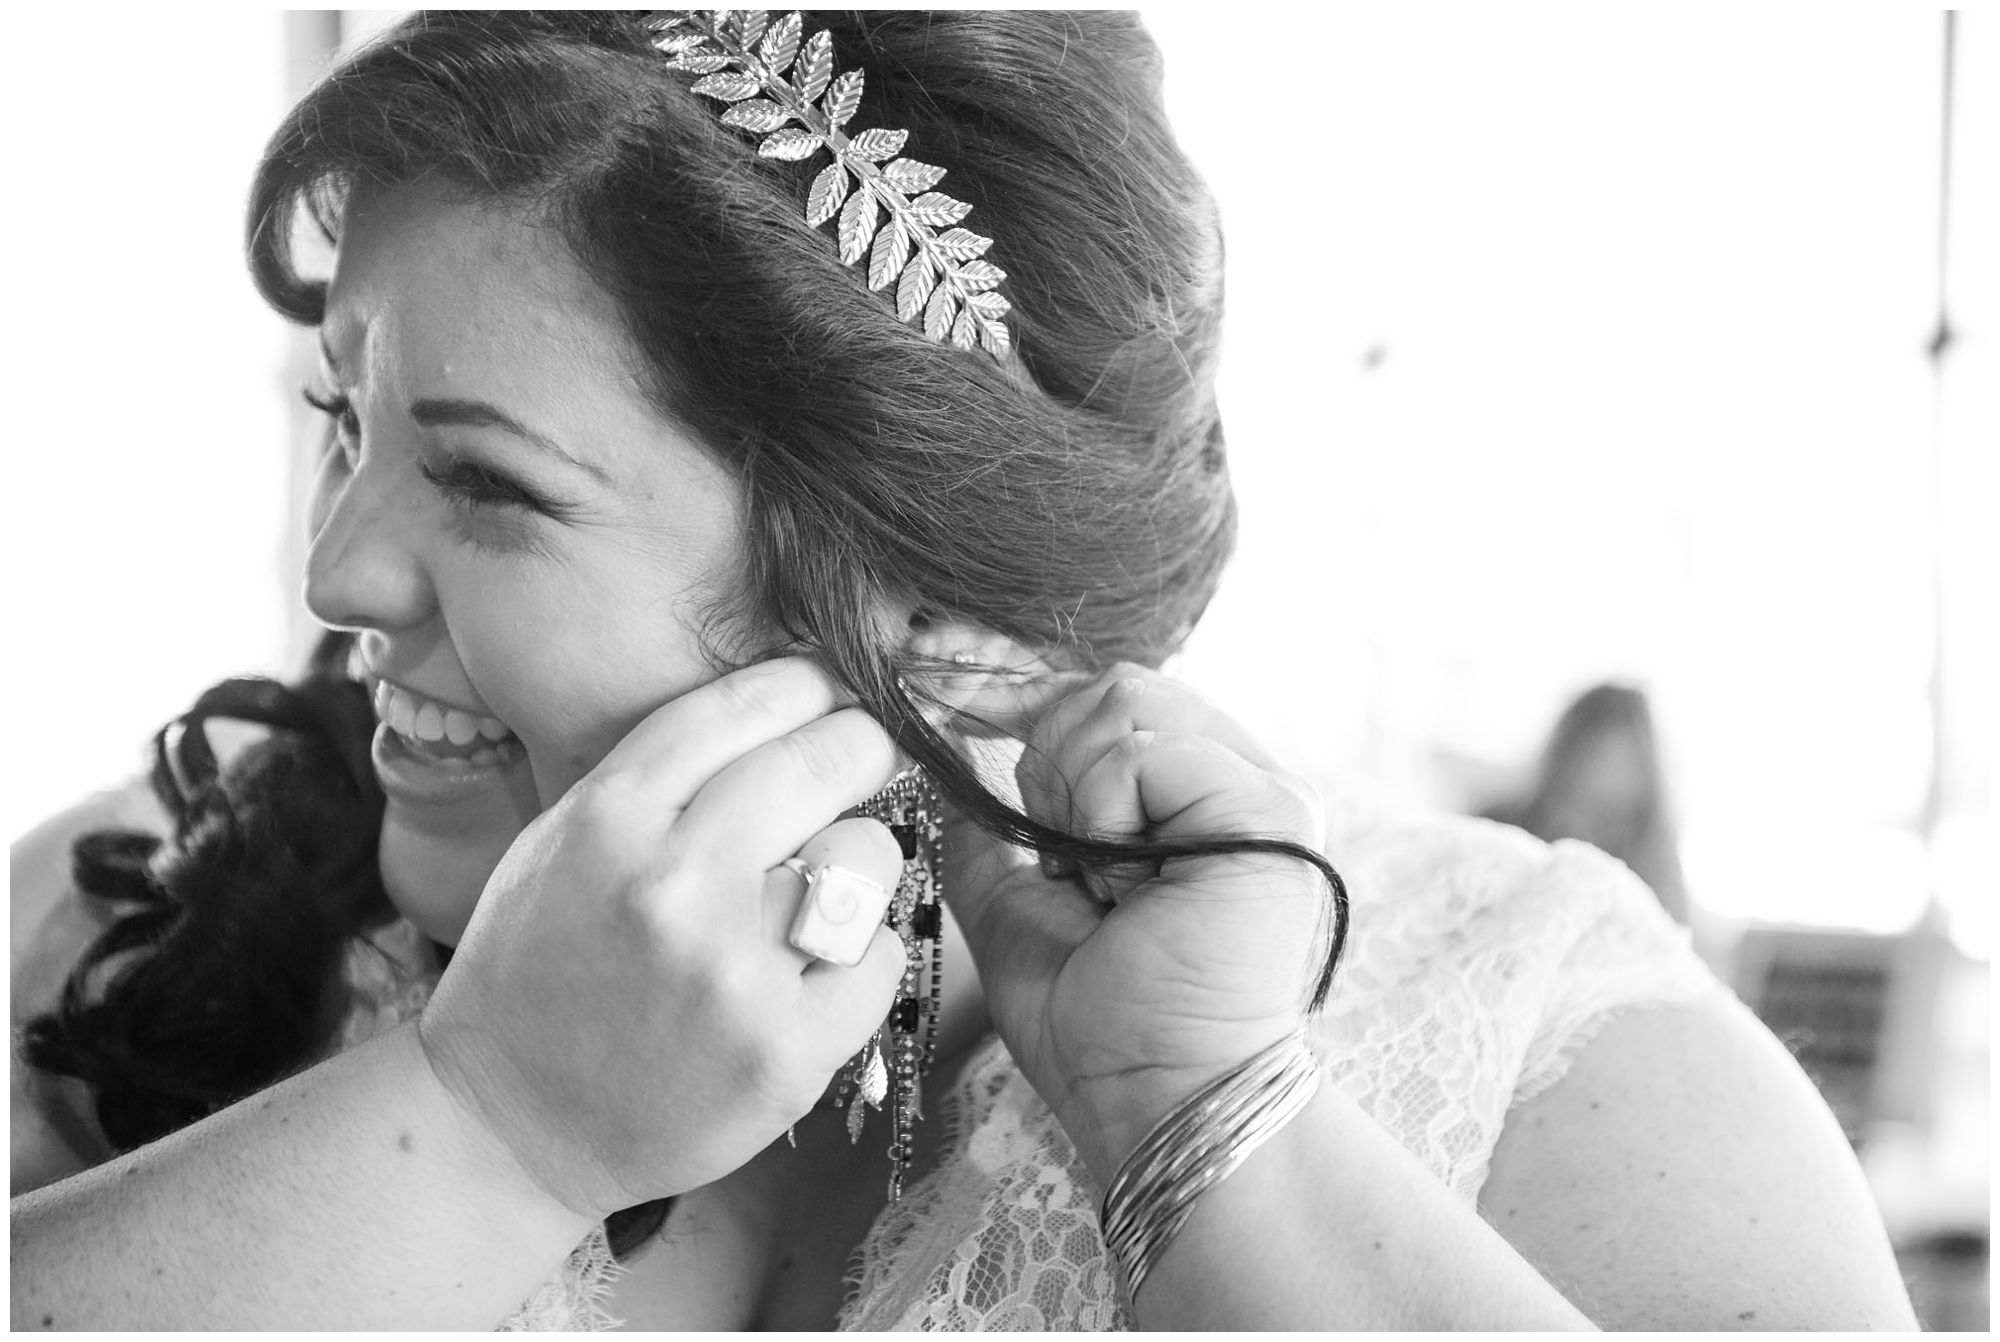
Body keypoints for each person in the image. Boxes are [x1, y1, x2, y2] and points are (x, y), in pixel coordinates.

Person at [9, 11, 1914, 1330]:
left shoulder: (1544, 1027)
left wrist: (1207, 1129)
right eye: (346, 419)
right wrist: (491, 1122)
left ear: (958, 615)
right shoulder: (129, 909)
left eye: (491, 485)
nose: (336, 566)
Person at [1482, 683, 1692, 925]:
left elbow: (1666, 950)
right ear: (1568, 752)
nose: (1606, 778)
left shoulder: (1654, 863)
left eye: (1620, 763)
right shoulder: (1503, 825)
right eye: (1596, 757)